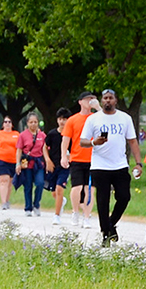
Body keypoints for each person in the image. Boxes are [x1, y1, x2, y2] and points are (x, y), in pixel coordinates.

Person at [79, 89, 142, 244]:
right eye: (105, 98)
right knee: (103, 200)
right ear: (101, 101)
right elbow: (82, 141)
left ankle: (111, 223)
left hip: (120, 164)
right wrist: (94, 142)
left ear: (115, 100)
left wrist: (138, 163)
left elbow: (132, 141)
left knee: (124, 197)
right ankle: (106, 233)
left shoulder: (125, 118)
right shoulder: (93, 119)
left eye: (110, 98)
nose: (108, 100)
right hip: (100, 165)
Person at [60, 92, 96, 226]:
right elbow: (65, 139)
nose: (89, 101)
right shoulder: (73, 120)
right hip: (77, 158)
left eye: (92, 99)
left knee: (89, 189)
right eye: (87, 99)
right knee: (77, 187)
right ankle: (75, 211)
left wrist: (98, 108)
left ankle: (86, 216)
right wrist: (64, 156)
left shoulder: (96, 118)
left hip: (93, 159)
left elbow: (107, 120)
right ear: (80, 102)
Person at [43, 108, 71, 226]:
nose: (62, 121)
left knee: (60, 188)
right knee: (54, 192)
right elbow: (45, 147)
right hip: (53, 165)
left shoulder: (71, 135)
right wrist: (47, 160)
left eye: (64, 119)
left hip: (65, 166)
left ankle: (57, 215)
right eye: (60, 119)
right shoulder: (52, 134)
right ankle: (62, 201)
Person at [16, 113, 47, 216]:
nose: (33, 124)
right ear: (27, 123)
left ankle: (36, 204)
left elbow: (45, 149)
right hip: (27, 162)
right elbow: (19, 150)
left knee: (40, 183)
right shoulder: (23, 135)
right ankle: (28, 207)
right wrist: (18, 163)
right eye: (31, 122)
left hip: (38, 162)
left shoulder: (42, 135)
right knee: (28, 185)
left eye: (35, 122)